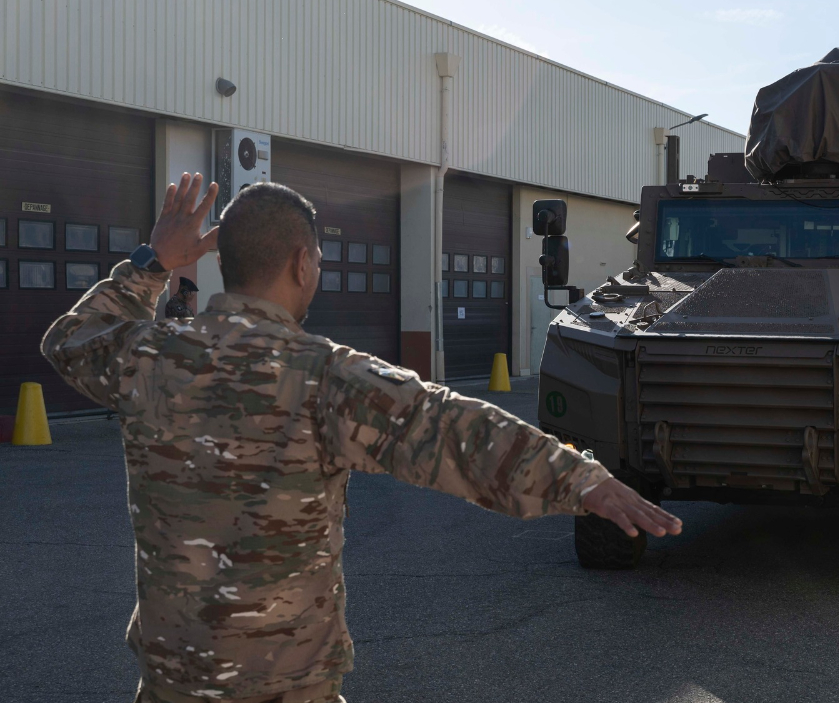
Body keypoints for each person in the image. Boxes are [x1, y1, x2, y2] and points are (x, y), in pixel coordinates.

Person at [42, 174, 682, 703]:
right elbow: (456, 429)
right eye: (317, 258)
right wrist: (583, 479)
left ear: (222, 263)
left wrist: (156, 263)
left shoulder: (145, 357)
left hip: (169, 686)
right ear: (302, 262)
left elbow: (70, 337)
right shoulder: (327, 377)